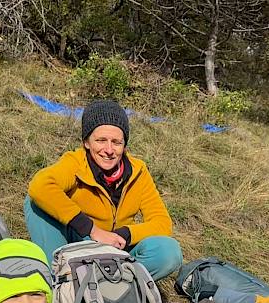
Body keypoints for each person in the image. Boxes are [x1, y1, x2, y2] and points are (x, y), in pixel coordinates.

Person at [25, 99, 182, 280]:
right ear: (86, 142)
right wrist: (93, 231)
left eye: (116, 142)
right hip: (78, 245)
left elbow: (162, 223)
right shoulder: (75, 163)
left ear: (124, 145)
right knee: (35, 202)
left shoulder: (138, 172)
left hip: (118, 249)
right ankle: (61, 280)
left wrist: (124, 234)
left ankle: (115, 286)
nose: (109, 150)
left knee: (169, 251)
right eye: (100, 140)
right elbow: (40, 186)